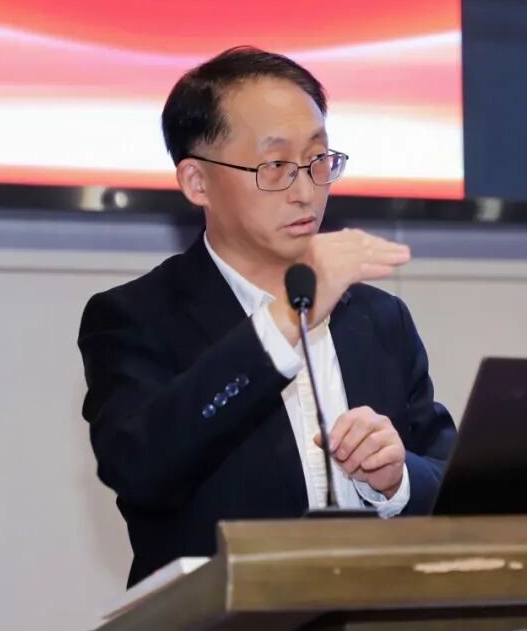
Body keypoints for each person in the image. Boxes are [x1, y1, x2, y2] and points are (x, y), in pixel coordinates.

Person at [77, 46, 457, 586]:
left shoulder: (379, 317)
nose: (305, 192)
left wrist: (397, 480)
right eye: (276, 166)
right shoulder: (135, 317)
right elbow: (141, 469)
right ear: (197, 182)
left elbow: (453, 483)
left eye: (318, 160)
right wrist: (280, 325)